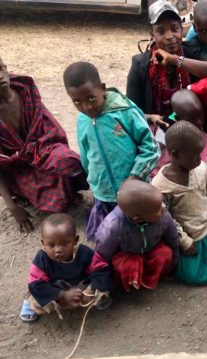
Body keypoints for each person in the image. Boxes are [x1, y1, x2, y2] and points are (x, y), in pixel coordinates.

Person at [63, 62, 160, 242]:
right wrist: (93, 179)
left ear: (102, 88)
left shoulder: (125, 112)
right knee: (108, 238)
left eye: (91, 98)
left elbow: (151, 147)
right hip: (104, 192)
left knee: (141, 236)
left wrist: (135, 177)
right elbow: (85, 156)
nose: (86, 107)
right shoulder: (82, 121)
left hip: (134, 190)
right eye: (77, 101)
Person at [0, 58, 87, 233]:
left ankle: (65, 188)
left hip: (42, 149)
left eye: (0, 68)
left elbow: (51, 129)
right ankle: (22, 193)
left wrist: (42, 152)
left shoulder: (25, 90)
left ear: (6, 68)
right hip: (16, 167)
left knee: (70, 161)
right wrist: (11, 206)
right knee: (57, 206)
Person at [151, 121, 207, 285]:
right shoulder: (159, 185)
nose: (200, 159)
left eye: (200, 154)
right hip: (187, 238)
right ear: (175, 153)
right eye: (194, 155)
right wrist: (184, 241)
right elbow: (165, 218)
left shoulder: (202, 169)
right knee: (191, 274)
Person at [126, 1, 207, 130]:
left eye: (174, 29)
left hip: (192, 128)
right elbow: (130, 113)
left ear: (182, 29)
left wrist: (174, 59)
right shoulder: (141, 65)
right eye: (161, 31)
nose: (169, 36)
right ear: (152, 34)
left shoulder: (191, 51)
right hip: (156, 130)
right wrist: (150, 118)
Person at [19, 214, 112, 322]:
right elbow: (36, 284)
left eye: (64, 244)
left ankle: (88, 299)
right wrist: (62, 295)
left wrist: (90, 290)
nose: (58, 249)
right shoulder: (42, 259)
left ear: (75, 240)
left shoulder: (84, 253)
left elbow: (102, 269)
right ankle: (28, 305)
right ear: (43, 244)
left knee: (102, 287)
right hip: (55, 290)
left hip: (79, 287)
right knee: (37, 301)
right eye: (51, 245)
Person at [94, 180, 179, 291]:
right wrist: (105, 280)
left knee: (165, 254)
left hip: (152, 249)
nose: (163, 209)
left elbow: (173, 239)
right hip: (127, 254)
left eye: (162, 204)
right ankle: (128, 285)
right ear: (138, 218)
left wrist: (175, 262)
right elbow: (103, 254)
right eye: (158, 209)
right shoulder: (113, 226)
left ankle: (151, 278)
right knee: (124, 266)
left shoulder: (163, 215)